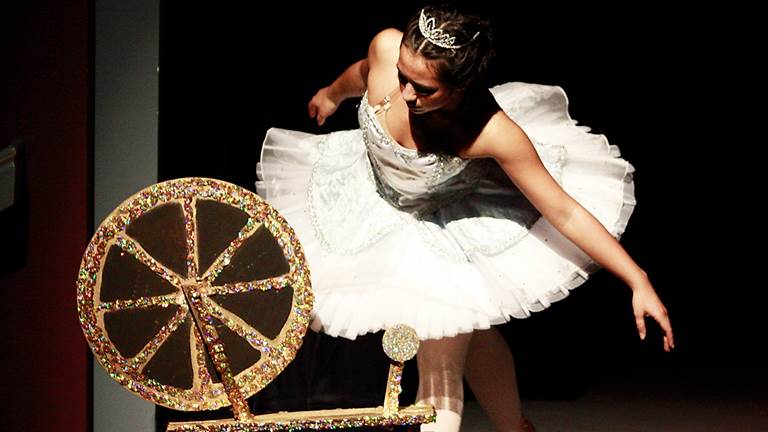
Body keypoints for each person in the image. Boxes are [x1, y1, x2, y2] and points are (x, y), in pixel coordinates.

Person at [256, 4, 674, 431]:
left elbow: (564, 211)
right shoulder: (387, 48)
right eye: (403, 77)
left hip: (443, 228)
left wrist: (637, 279)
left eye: (425, 89)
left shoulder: (491, 131)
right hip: (369, 203)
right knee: (468, 328)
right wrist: (330, 93)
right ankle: (517, 428)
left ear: (463, 87)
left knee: (439, 363)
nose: (406, 95)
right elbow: (363, 72)